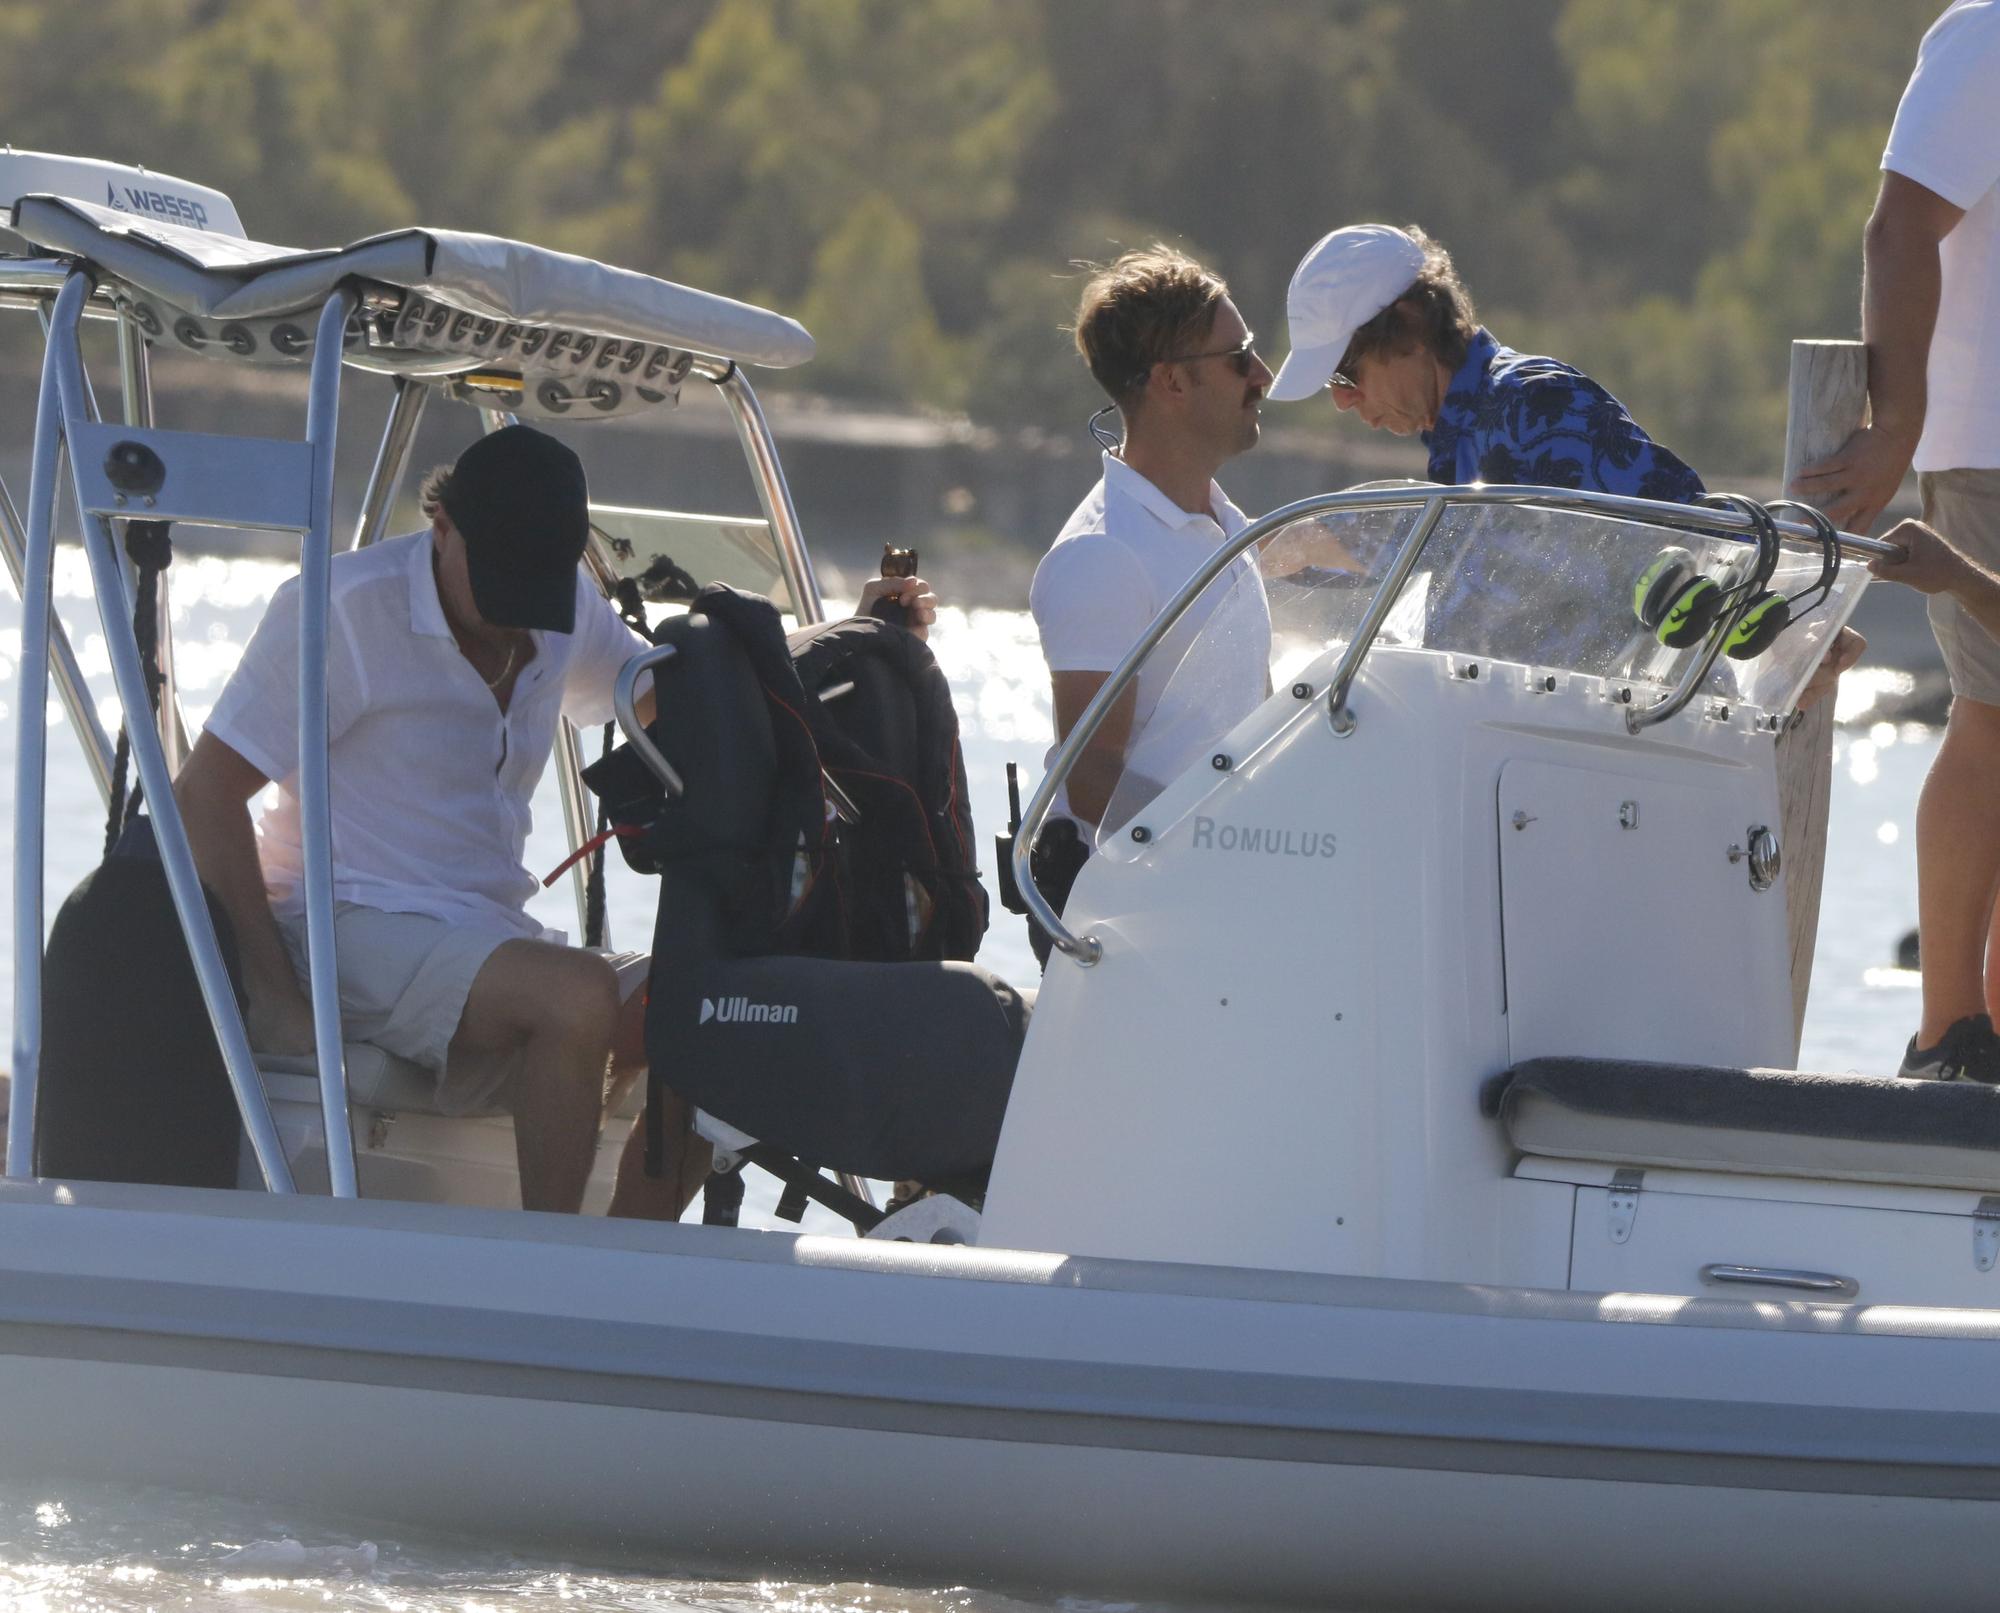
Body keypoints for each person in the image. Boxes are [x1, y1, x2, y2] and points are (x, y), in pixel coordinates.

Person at [176, 425, 935, 1211]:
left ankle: (620, 1264)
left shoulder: (559, 604)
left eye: (535, 584)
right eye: (502, 581)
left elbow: (681, 691)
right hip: (344, 919)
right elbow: (202, 792)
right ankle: (552, 1268)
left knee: (716, 1002)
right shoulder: (337, 609)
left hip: (485, 937)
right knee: (574, 996)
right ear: (443, 527)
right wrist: (274, 995)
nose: (517, 618)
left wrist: (855, 632)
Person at [1265, 222, 1863, 697]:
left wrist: (1793, 647)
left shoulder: (1535, 402)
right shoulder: (1459, 445)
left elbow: (1694, 534)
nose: (1342, 400)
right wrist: (1274, 553)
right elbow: (1455, 548)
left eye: (1346, 372)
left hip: (1622, 761)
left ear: (1412, 324)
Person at [1792, 0, 2000, 1082]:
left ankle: (1990, 1036)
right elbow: (1896, 227)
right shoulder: (1985, 33)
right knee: (1991, 720)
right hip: (1988, 445)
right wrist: (1895, 426)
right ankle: (1947, 1032)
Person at [1026, 246, 1275, 959]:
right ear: (1171, 382)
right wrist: (1222, 851)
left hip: (1221, 898)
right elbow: (1092, 773)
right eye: (1241, 357)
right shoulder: (1102, 554)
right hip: (1133, 917)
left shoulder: (1229, 524)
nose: (1262, 376)